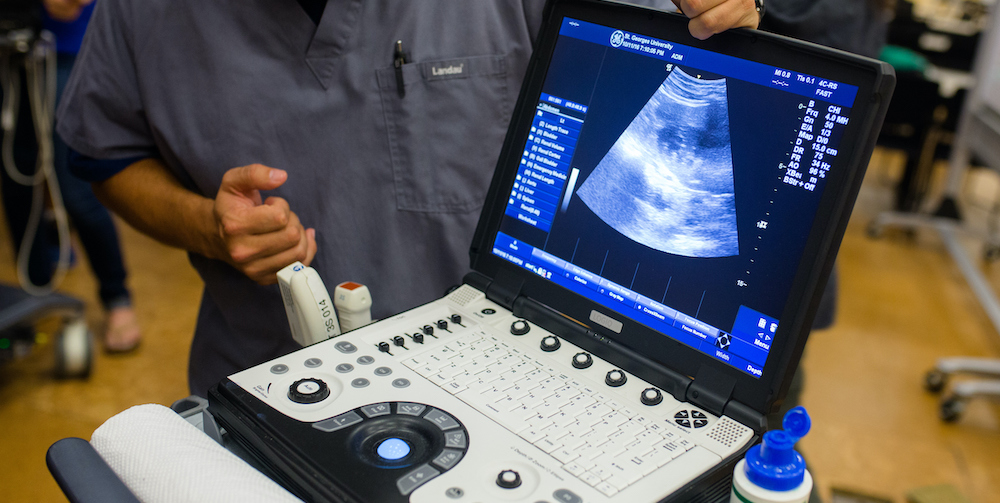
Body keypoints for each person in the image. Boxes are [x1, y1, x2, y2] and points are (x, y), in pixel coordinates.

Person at [56, 0, 761, 397]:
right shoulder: (144, 15)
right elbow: (104, 150)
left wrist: (716, 18)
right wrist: (206, 226)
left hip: (509, 388)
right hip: (270, 386)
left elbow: (659, 52)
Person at [0, 0, 142, 352]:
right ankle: (36, 295)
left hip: (61, 47)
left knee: (77, 188)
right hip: (7, 51)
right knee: (18, 182)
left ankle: (117, 299)